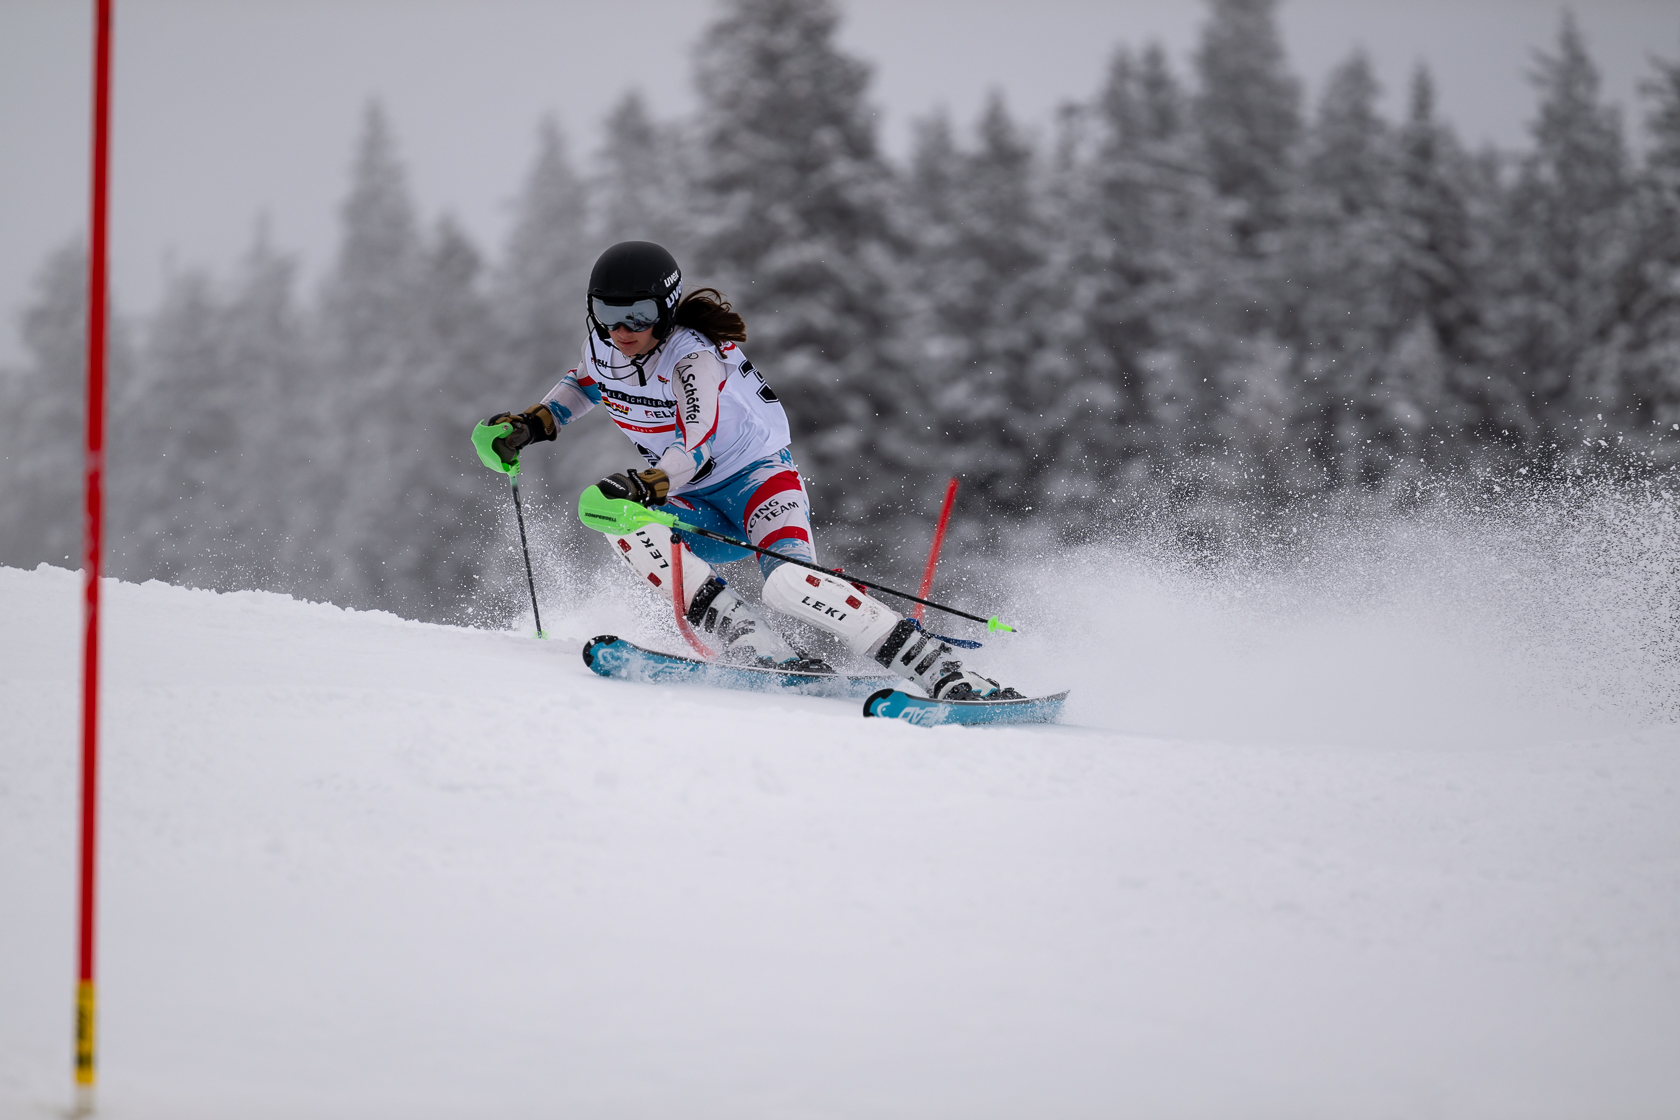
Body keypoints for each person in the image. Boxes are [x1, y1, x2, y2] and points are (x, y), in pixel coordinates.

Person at [479, 240, 1019, 701]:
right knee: (619, 520)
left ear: (666, 308)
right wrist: (531, 424)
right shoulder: (605, 346)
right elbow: (586, 383)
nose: (622, 329)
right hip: (695, 501)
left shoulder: (693, 359)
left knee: (789, 583)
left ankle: (942, 670)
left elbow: (695, 446)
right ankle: (751, 640)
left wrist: (644, 484)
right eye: (606, 312)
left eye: (638, 314)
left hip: (758, 482)